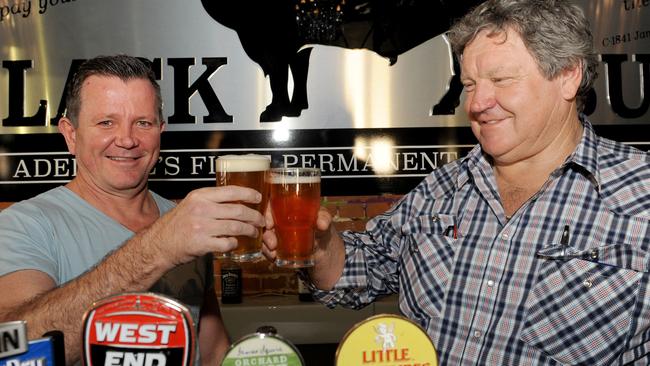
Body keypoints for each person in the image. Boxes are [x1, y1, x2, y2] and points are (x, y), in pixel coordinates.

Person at [262, 0, 650, 364]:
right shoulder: (444, 187)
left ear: (568, 76)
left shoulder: (641, 195)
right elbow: (368, 264)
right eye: (469, 85)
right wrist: (319, 246)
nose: (477, 103)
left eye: (500, 79)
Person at [0, 55, 265, 365]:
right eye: (106, 122)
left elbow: (211, 351)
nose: (126, 140)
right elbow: (15, 347)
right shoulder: (23, 224)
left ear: (160, 132)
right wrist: (157, 249)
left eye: (143, 123)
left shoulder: (186, 221)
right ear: (71, 135)